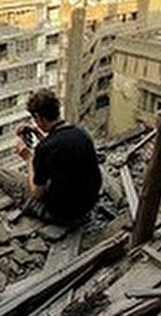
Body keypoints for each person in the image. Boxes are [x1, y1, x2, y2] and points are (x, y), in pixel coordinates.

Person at [11, 88, 102, 225]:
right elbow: (58, 149)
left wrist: (28, 158)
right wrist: (38, 133)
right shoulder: (81, 133)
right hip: (88, 206)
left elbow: (37, 192)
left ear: (38, 117)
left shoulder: (46, 148)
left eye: (35, 119)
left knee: (6, 176)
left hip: (64, 214)